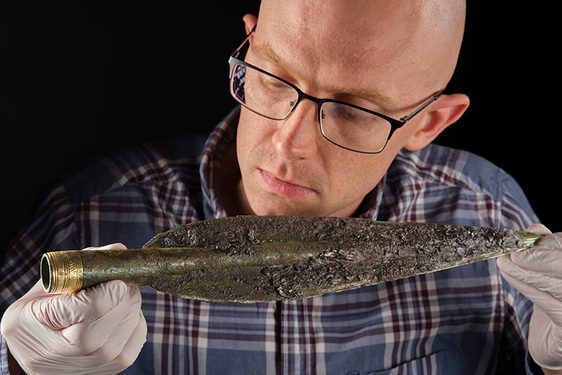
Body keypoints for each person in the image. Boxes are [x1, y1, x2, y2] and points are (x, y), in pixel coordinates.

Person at [1, 0, 561, 374]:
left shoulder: (491, 213)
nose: (286, 144)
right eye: (273, 78)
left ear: (428, 123)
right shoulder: (87, 213)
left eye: (352, 112)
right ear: (249, 42)